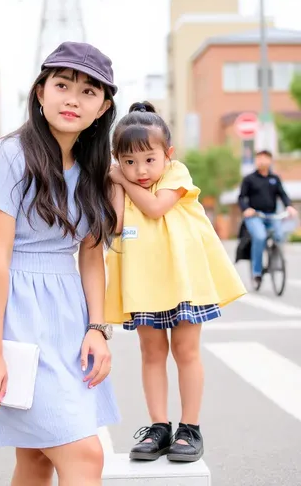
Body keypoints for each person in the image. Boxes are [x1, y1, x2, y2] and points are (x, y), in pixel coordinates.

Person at [0, 42, 120, 486]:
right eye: (62, 85)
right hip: (13, 306)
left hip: (65, 311)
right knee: (85, 455)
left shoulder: (94, 169)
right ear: (40, 92)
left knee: (36, 459)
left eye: (88, 92)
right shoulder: (12, 155)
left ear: (103, 108)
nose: (72, 98)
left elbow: (91, 255)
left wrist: (98, 327)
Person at [105, 102, 246, 464]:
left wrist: (120, 179)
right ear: (116, 157)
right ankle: (158, 426)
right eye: (129, 161)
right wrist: (113, 184)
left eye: (149, 159)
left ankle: (190, 428)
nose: (140, 170)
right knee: (151, 354)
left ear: (168, 154)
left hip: (183, 281)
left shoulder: (176, 174)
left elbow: (155, 209)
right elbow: (117, 224)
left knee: (186, 351)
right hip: (143, 283)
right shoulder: (119, 180)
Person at [238, 150, 298, 286]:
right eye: (258, 158)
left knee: (280, 235)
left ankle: (276, 261)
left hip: (272, 215)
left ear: (270, 161)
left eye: (264, 158)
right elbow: (241, 197)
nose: (261, 161)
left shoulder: (275, 179)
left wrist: (289, 206)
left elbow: (283, 195)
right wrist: (246, 209)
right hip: (255, 216)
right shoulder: (249, 179)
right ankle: (257, 272)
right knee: (260, 237)